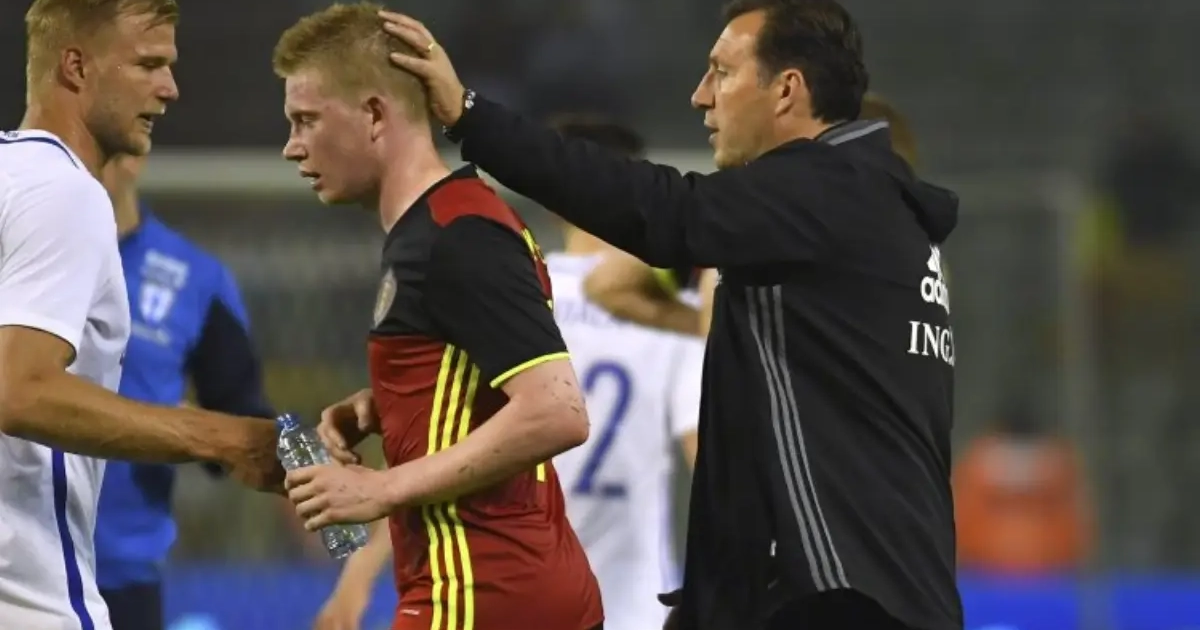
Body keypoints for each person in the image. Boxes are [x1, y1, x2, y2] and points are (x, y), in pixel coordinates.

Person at [380, 0, 961, 628]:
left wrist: (471, 117)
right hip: (865, 584)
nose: (700, 95)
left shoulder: (825, 190)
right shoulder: (861, 214)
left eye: (723, 73)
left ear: (786, 90)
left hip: (841, 597)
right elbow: (628, 276)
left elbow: (660, 212)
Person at [269, 5, 602, 630]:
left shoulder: (456, 234)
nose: (292, 146)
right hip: (508, 583)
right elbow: (485, 376)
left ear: (374, 114)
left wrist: (380, 489)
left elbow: (556, 410)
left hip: (482, 589)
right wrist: (391, 405)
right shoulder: (440, 227)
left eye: (306, 119)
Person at [309, 114, 705, 630]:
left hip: (509, 576)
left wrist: (357, 579)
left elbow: (430, 443)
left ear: (557, 197)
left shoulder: (514, 285)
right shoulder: (675, 317)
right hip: (638, 603)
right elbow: (704, 457)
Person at [0, 1, 282, 628]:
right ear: (76, 66)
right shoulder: (66, 192)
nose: (170, 88)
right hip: (30, 593)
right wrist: (223, 438)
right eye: (148, 64)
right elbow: (21, 392)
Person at [94, 153, 277, 630]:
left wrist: (183, 429)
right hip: (15, 559)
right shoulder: (21, 256)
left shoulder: (196, 280)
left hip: (121, 575)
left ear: (133, 157)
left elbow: (243, 416)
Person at [582, 92, 916, 338]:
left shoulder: (889, 257)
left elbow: (608, 285)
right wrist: (710, 328)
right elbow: (608, 284)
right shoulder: (746, 230)